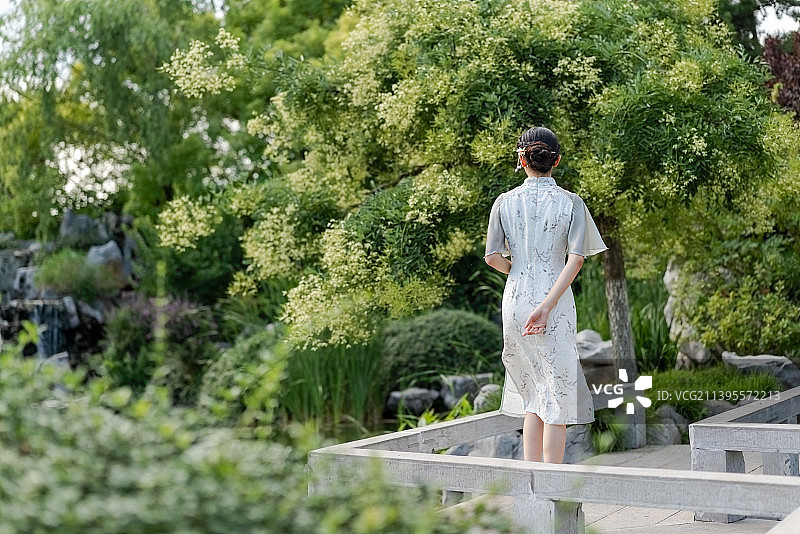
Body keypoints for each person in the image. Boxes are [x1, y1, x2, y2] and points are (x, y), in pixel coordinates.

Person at [484, 126, 608, 463]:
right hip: (555, 302)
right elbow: (576, 259)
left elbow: (492, 257)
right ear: (557, 160)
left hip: (516, 301)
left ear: (521, 160)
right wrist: (547, 306)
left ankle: (532, 480)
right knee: (557, 396)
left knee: (533, 394)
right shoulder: (571, 203)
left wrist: (518, 272)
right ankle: (553, 482)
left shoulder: (503, 202)